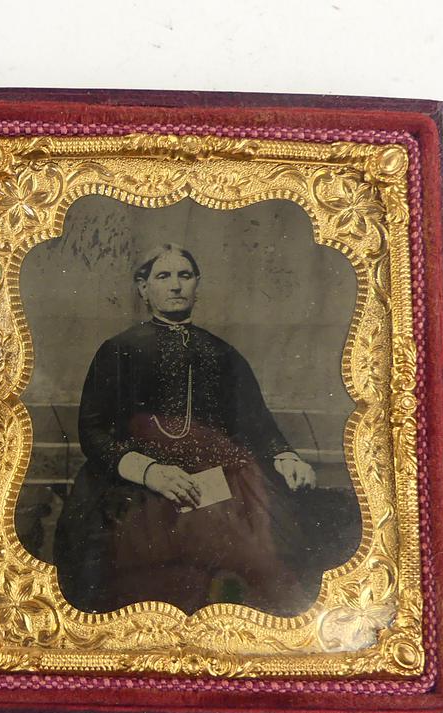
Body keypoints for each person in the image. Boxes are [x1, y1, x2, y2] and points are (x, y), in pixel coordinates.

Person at [51, 243, 353, 617]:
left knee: (268, 555)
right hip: (136, 486)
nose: (175, 285)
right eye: (163, 276)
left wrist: (286, 457)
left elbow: (257, 423)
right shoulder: (119, 350)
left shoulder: (223, 353)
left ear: (197, 283)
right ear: (144, 287)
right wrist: (149, 472)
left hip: (219, 480)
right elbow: (93, 431)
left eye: (185, 275)